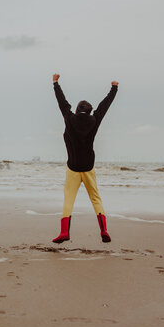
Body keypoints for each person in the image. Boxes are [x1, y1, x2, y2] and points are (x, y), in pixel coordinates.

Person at [52, 74, 118, 243]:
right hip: (88, 167)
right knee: (95, 198)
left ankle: (64, 232)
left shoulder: (70, 118)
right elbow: (105, 106)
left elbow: (62, 102)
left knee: (69, 199)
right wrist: (114, 88)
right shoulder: (95, 120)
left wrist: (56, 83)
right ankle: (104, 230)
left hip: (73, 167)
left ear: (76, 110)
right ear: (90, 112)